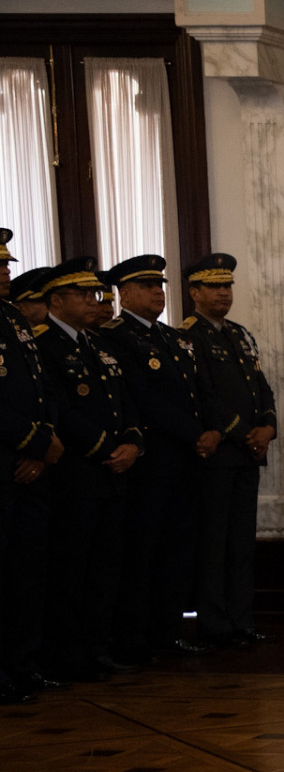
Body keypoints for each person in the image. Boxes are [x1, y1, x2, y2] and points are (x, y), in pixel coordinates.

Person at [99, 254, 214, 660]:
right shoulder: (116, 338)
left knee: (177, 550)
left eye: (159, 286)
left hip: (185, 461)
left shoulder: (171, 337)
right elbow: (144, 400)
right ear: (124, 294)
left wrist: (210, 431)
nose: (157, 293)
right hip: (152, 462)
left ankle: (166, 632)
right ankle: (134, 639)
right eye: (146, 286)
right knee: (144, 551)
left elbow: (196, 393)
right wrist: (195, 433)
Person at [36, 257, 142, 682]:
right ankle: (70, 653)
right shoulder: (45, 346)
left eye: (93, 293)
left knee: (105, 566)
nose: (92, 300)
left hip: (113, 474)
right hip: (78, 474)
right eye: (82, 294)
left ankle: (98, 646)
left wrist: (133, 442)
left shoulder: (96, 345)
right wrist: (106, 449)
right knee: (73, 569)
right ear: (56, 301)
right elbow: (60, 411)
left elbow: (125, 402)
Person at [183, 252, 277, 649]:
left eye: (228, 286)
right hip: (219, 457)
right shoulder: (189, 336)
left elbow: (261, 387)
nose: (224, 293)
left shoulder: (239, 334)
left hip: (247, 455)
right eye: (215, 286)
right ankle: (214, 624)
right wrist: (243, 434)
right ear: (195, 292)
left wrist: (268, 427)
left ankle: (241, 620)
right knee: (215, 544)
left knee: (241, 544)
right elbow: (205, 396)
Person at [1, 231, 63, 702]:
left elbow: (41, 389)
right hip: (6, 463)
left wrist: (43, 444)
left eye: (6, 264)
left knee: (27, 574)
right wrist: (33, 442)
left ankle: (23, 664)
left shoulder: (11, 317)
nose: (6, 271)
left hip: (31, 464)